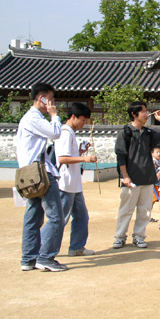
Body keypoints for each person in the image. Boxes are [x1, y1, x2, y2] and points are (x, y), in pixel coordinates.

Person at [17, 82, 66, 272]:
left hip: (29, 174)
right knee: (55, 216)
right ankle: (45, 257)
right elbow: (55, 133)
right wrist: (54, 116)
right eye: (50, 100)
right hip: (40, 173)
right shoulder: (33, 118)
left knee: (33, 215)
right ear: (41, 98)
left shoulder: (28, 119)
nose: (52, 104)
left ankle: (29, 258)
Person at [113, 102, 160, 249]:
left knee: (145, 211)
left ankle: (139, 236)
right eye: (144, 112)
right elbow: (121, 156)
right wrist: (125, 176)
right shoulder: (125, 133)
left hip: (147, 178)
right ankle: (120, 236)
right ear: (134, 114)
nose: (147, 114)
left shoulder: (148, 133)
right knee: (126, 209)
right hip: (131, 179)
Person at [54, 102, 97, 257]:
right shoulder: (65, 132)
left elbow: (70, 156)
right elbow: (63, 158)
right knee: (59, 219)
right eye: (82, 120)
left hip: (74, 184)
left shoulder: (70, 133)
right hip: (65, 184)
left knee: (81, 216)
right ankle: (46, 251)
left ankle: (76, 247)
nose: (84, 124)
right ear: (73, 117)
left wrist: (80, 152)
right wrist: (84, 158)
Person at [150, 146, 160, 222]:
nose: (159, 154)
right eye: (157, 152)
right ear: (152, 153)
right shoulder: (153, 163)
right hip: (154, 185)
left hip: (159, 184)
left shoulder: (159, 163)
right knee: (152, 201)